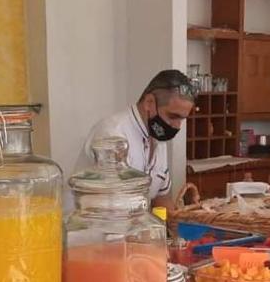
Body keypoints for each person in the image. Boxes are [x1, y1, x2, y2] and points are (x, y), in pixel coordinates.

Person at [80, 69, 196, 209]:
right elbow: (112, 210)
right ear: (149, 102)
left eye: (182, 119)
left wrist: (177, 226)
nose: (177, 126)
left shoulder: (158, 139)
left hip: (136, 227)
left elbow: (161, 199)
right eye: (173, 116)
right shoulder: (111, 135)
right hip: (98, 226)